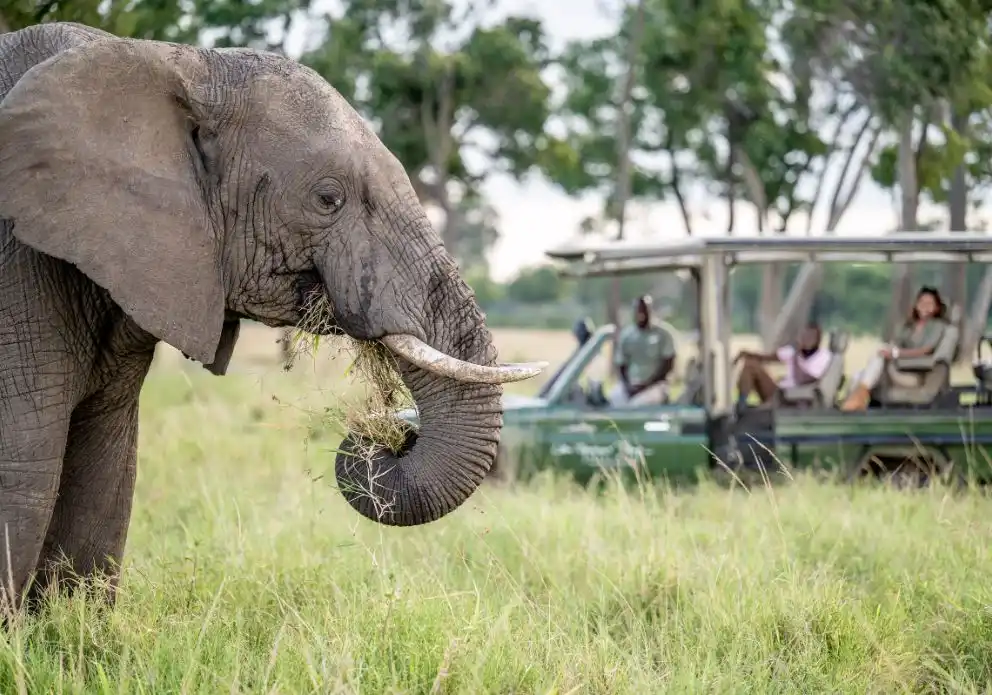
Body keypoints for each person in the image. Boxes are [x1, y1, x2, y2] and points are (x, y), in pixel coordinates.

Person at [839, 285, 949, 412]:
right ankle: (853, 402)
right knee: (859, 374)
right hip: (897, 367)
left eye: (929, 303)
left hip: (915, 372)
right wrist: (891, 350)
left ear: (936, 308)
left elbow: (926, 350)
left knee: (875, 361)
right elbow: (896, 343)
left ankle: (856, 399)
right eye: (922, 302)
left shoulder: (938, 326)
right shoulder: (909, 326)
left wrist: (896, 353)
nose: (924, 306)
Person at [733, 321, 831, 406]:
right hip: (780, 393)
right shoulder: (793, 351)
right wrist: (746, 353)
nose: (806, 339)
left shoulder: (823, 356)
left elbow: (804, 379)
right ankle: (742, 404)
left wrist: (796, 356)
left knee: (752, 366)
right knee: (751, 365)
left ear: (817, 339)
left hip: (794, 399)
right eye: (804, 335)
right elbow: (768, 358)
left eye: (810, 336)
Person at [609, 296, 677, 407]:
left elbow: (668, 364)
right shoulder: (627, 335)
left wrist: (646, 385)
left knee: (641, 403)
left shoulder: (663, 334)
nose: (641, 314)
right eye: (638, 310)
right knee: (615, 399)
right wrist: (628, 386)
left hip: (655, 384)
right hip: (631, 383)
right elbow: (621, 364)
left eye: (644, 310)